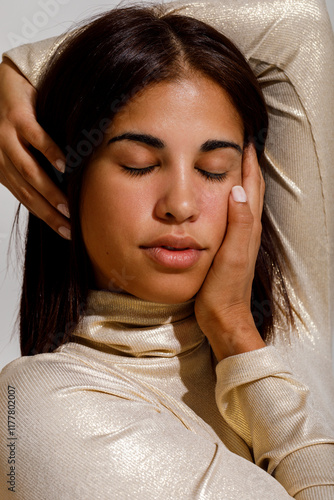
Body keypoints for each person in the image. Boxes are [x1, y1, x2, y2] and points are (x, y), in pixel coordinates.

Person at [0, 1, 333, 499]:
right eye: (138, 164)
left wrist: (18, 73)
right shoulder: (37, 408)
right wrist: (239, 339)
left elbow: (291, 24)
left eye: (215, 169)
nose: (180, 204)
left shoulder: (289, 297)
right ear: (64, 175)